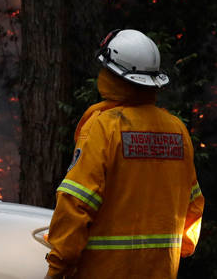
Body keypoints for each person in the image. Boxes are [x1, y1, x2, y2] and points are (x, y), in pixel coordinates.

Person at [44, 29, 204, 279]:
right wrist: (178, 249)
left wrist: (58, 265)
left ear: (112, 75)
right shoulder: (177, 130)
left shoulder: (104, 126)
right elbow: (193, 203)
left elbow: (76, 203)